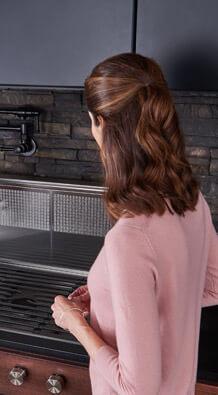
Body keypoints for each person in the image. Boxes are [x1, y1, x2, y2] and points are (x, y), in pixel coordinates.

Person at [51, 53, 218, 394]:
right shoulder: (190, 199)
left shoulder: (129, 238)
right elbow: (212, 285)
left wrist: (76, 324)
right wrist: (106, 302)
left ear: (101, 123)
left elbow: (137, 387)